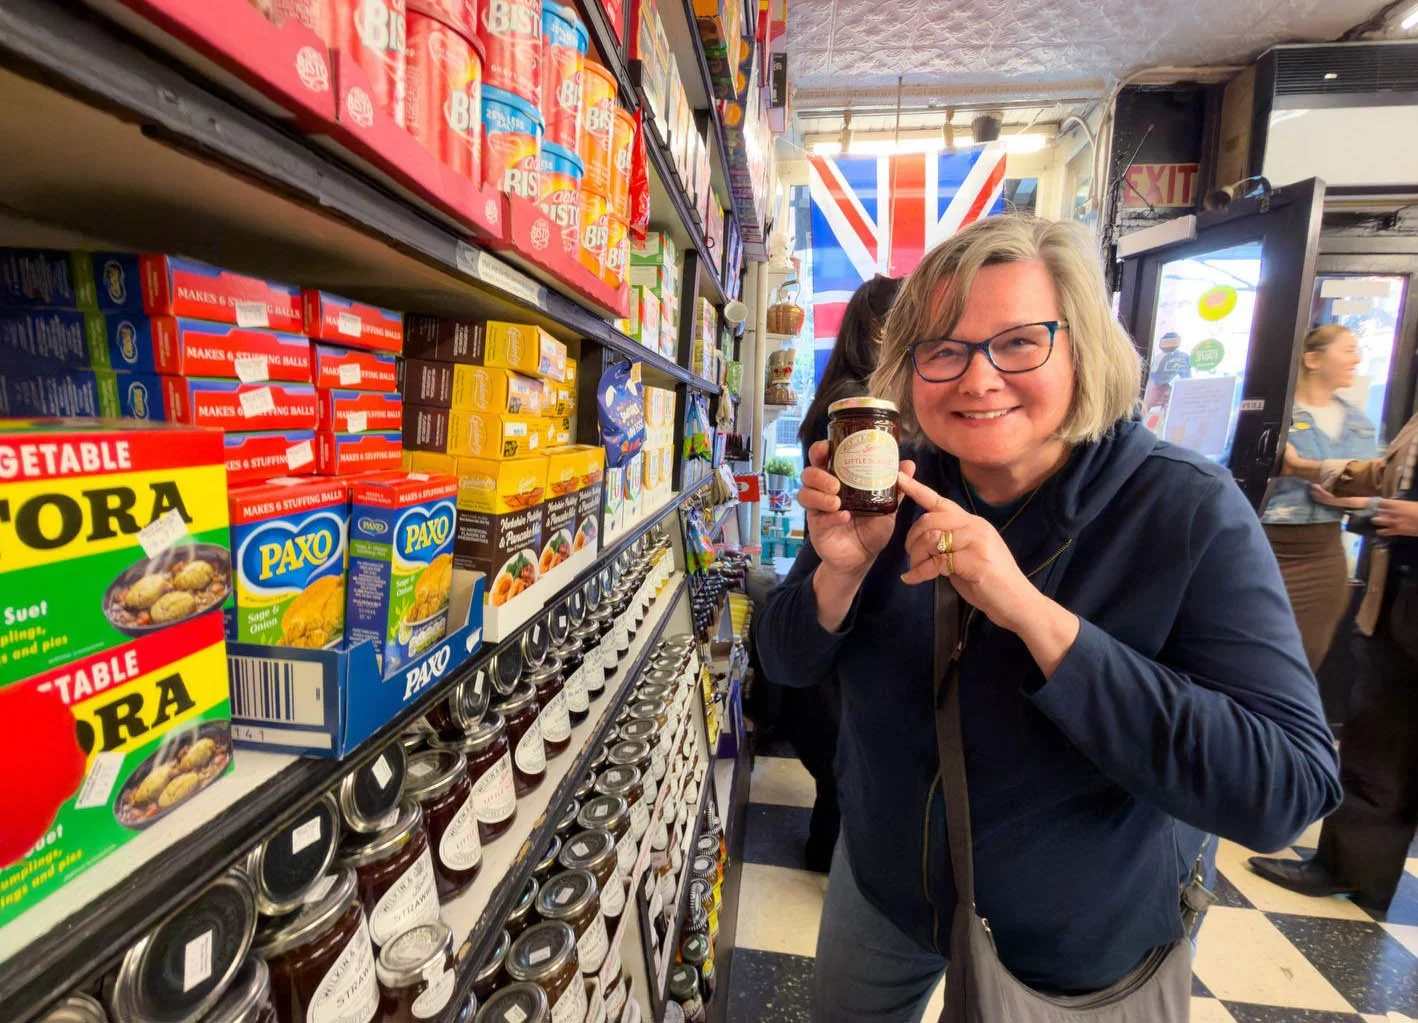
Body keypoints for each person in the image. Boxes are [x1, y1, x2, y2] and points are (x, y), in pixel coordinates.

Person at [756, 214, 1341, 1022]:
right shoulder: (892, 480)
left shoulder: (1184, 509)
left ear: (1081, 348)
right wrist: (839, 574)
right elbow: (785, 661)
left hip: (1071, 940)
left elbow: (1286, 786)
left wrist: (1034, 616)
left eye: (1019, 342)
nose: (978, 379)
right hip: (882, 887)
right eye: (943, 349)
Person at [759, 274, 902, 873]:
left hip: (831, 568)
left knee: (837, 764)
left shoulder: (838, 392)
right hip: (844, 574)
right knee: (842, 760)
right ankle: (829, 857)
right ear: (880, 331)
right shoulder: (860, 402)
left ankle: (827, 852)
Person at [1250, 420, 1418, 911]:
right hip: (1400, 597)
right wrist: (1304, 467)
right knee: (1377, 740)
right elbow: (1386, 473)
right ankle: (1351, 869)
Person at [1259, 325, 1376, 669]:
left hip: (1324, 556)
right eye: (1348, 350)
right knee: (1257, 662)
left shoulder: (1360, 423)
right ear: (1312, 359)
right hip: (1266, 548)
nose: (1357, 359)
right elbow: (1236, 475)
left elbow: (1375, 490)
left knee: (1306, 662)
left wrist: (1353, 502)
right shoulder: (1275, 417)